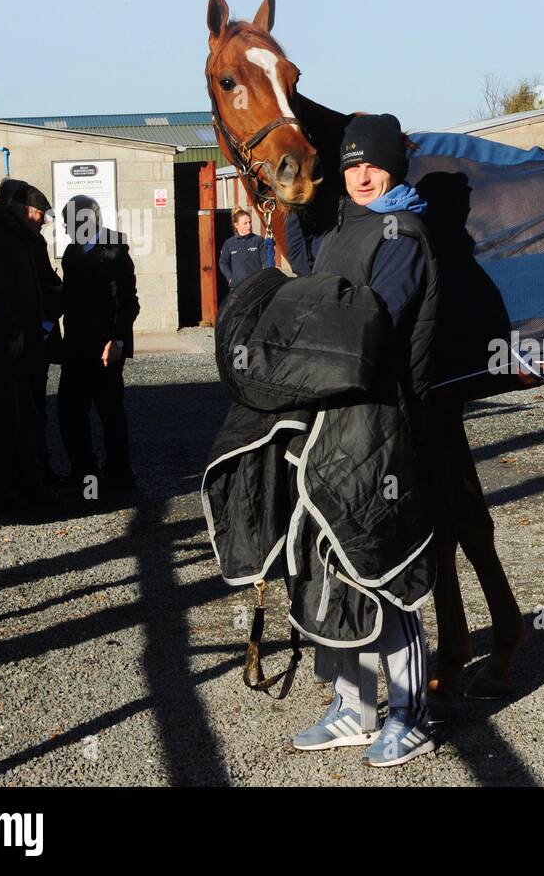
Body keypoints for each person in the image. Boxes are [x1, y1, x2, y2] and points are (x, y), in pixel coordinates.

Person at [290, 113, 437, 767]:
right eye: (351, 167)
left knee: (385, 567)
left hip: (387, 425)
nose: (361, 175)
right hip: (335, 419)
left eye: (370, 164)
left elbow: (371, 323)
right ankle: (352, 706)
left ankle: (410, 713)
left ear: (393, 167)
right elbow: (308, 276)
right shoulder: (346, 228)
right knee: (331, 563)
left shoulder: (404, 233)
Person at [0, 179, 62, 513]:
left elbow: (44, 285)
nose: (42, 219)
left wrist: (45, 322)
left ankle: (32, 481)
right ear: (19, 209)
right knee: (18, 419)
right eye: (37, 212)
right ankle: (23, 489)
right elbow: (8, 295)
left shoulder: (23, 239)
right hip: (16, 347)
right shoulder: (6, 240)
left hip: (28, 343)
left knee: (31, 415)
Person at [57, 195, 141, 497]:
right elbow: (68, 296)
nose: (65, 228)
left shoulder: (116, 252)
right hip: (76, 345)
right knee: (69, 409)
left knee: (110, 411)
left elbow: (128, 302)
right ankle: (84, 470)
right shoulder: (70, 253)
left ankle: (120, 473)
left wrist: (116, 340)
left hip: (106, 348)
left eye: (69, 222)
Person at [218, 208, 275, 289]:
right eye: (245, 223)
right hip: (237, 287)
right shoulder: (229, 243)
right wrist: (230, 278)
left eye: (250, 222)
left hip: (255, 285)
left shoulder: (258, 240)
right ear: (236, 225)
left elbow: (266, 262)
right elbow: (223, 263)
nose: (249, 225)